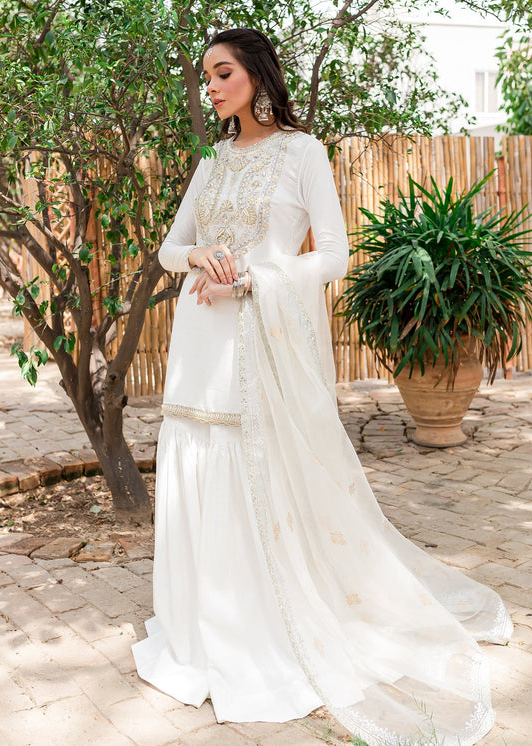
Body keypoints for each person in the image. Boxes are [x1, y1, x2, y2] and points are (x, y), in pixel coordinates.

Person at [131, 28, 512, 746]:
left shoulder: (302, 153)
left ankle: (264, 626)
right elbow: (168, 248)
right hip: (200, 342)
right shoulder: (212, 159)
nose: (210, 87)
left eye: (222, 73)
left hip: (260, 345)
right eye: (206, 76)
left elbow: (333, 255)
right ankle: (200, 627)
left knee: (258, 473)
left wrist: (253, 277)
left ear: (256, 75)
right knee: (198, 464)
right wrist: (201, 254)